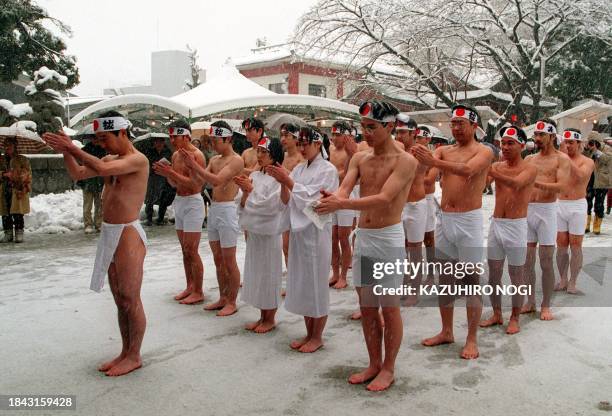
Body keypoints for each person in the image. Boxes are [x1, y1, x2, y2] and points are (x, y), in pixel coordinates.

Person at [317, 100, 416, 391]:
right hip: (366, 237)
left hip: (388, 237)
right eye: (363, 127)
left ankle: (389, 367)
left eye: (372, 127)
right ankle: (373, 362)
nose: (366, 133)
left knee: (389, 307)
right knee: (368, 306)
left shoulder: (405, 161)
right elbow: (345, 187)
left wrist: (342, 203)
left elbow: (385, 198)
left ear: (389, 126)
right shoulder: (360, 158)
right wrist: (333, 196)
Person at [42, 111, 149, 376]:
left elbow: (101, 169)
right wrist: (66, 150)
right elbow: (78, 174)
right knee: (119, 298)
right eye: (98, 140)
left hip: (128, 233)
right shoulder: (109, 158)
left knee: (130, 296)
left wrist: (72, 147)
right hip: (110, 231)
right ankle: (125, 351)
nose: (101, 144)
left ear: (121, 133)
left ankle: (134, 355)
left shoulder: (138, 159)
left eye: (105, 138)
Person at [411, 104, 494, 359]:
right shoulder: (444, 150)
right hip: (445, 218)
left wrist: (432, 160)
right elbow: (427, 179)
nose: (456, 128)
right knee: (445, 281)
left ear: (474, 126)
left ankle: (471, 339)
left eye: (461, 124)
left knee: (470, 282)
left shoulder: (485, 151)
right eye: (453, 124)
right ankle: (446, 331)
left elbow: (469, 170)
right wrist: (416, 161)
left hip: (469, 221)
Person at [267, 126, 338, 353]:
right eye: (300, 144)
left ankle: (317, 336)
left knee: (316, 284)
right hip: (299, 233)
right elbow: (288, 200)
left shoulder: (328, 170)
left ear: (318, 144)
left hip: (316, 232)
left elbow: (315, 199)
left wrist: (287, 181)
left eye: (306, 143)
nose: (302, 148)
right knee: (305, 284)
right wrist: (283, 182)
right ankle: (308, 332)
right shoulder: (298, 169)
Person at [180, 121, 245, 316]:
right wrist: (187, 169)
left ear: (228, 139)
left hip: (228, 210)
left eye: (217, 140)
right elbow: (200, 181)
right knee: (218, 259)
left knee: (228, 259)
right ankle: (223, 297)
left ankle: (232, 301)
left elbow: (217, 180)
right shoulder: (215, 159)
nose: (214, 144)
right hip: (215, 208)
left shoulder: (236, 160)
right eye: (212, 140)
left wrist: (194, 165)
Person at [479, 126, 536, 334]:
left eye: (510, 143)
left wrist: (491, 169)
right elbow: (482, 184)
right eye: (503, 143)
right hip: (497, 224)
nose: (505, 147)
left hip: (516, 226)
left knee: (516, 275)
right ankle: (496, 313)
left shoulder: (529, 168)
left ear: (522, 145)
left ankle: (514, 316)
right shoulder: (498, 166)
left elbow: (516, 185)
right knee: (494, 275)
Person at [234, 137, 287, 333]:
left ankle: (270, 317)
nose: (260, 155)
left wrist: (250, 192)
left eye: (265, 152)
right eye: (259, 152)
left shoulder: (278, 178)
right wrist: (245, 192)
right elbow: (241, 202)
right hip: (255, 233)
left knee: (269, 274)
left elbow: (272, 206)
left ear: (274, 154)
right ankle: (262, 315)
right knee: (256, 274)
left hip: (269, 232)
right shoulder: (255, 175)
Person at [523, 119, 571, 321]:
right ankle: (530, 301)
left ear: (552, 136)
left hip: (547, 211)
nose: (538, 139)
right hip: (528, 210)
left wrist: (536, 183)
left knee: (545, 261)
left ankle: (545, 305)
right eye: (536, 135)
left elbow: (561, 187)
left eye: (542, 135)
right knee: (526, 261)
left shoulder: (561, 159)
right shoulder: (529, 159)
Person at [154, 122, 206, 306]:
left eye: (175, 137)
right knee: (185, 250)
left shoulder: (197, 155)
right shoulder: (176, 155)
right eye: (170, 137)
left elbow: (195, 184)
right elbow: (174, 183)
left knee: (192, 249)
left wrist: (171, 174)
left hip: (193, 202)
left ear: (186, 136)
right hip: (180, 201)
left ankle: (198, 290)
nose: (172, 140)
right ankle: (190, 286)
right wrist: (166, 173)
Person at [553, 129, 594, 293]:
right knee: (561, 244)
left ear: (579, 144)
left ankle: (573, 282)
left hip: (577, 205)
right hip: (560, 204)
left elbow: (581, 177)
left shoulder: (587, 161)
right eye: (565, 142)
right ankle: (563, 278)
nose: (568, 146)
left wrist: (565, 159)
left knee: (576, 245)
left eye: (571, 143)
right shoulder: (558, 160)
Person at [328, 120, 357, 289]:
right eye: (333, 134)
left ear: (346, 136)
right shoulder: (330, 150)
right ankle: (335, 273)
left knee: (343, 238)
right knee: (332, 238)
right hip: (332, 194)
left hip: (346, 195)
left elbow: (348, 173)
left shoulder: (353, 151)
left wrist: (333, 174)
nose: (334, 138)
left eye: (338, 135)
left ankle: (344, 276)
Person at [280, 123, 305, 272]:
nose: (283, 139)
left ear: (295, 138)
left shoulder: (302, 158)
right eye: (281, 135)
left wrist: (284, 173)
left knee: (299, 245)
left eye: (286, 135)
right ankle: (291, 278)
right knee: (286, 244)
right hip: (284, 202)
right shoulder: (281, 156)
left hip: (298, 203)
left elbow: (302, 183)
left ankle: (301, 277)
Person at [417, 127, 441, 285]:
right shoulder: (408, 156)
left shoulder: (433, 157)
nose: (419, 141)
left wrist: (410, 177)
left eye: (422, 138)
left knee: (429, 240)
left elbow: (429, 180)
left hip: (426, 200)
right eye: (417, 137)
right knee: (410, 242)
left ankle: (431, 275)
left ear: (428, 140)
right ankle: (413, 276)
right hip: (410, 200)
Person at [1, 137, 32, 243]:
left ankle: (19, 232)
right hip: (4, 189)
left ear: (15, 146)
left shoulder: (22, 159)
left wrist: (14, 175)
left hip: (18, 190)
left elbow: (27, 174)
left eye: (9, 146)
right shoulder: (1, 160)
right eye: (5, 146)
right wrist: (4, 174)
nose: (7, 148)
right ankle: (8, 232)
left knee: (17, 212)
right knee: (5, 213)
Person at [77, 132, 106, 234]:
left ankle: (99, 223)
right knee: (87, 205)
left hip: (100, 181)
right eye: (94, 138)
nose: (96, 140)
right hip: (88, 181)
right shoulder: (85, 151)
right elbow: (79, 167)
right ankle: (88, 224)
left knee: (100, 205)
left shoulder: (104, 150)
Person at [584, 132, 612, 234]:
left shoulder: (607, 148)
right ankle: (586, 225)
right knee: (587, 201)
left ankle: (597, 225)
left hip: (601, 179)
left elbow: (608, 160)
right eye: (590, 142)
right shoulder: (588, 148)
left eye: (594, 142)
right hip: (590, 178)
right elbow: (583, 158)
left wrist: (596, 151)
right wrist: (587, 149)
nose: (592, 144)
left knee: (599, 203)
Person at [144, 136, 175, 226]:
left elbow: (170, 162)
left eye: (161, 142)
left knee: (163, 199)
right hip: (153, 176)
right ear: (154, 143)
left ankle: (160, 219)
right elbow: (146, 162)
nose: (159, 144)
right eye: (157, 142)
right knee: (150, 198)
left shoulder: (167, 151)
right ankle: (149, 218)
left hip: (163, 177)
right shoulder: (149, 151)